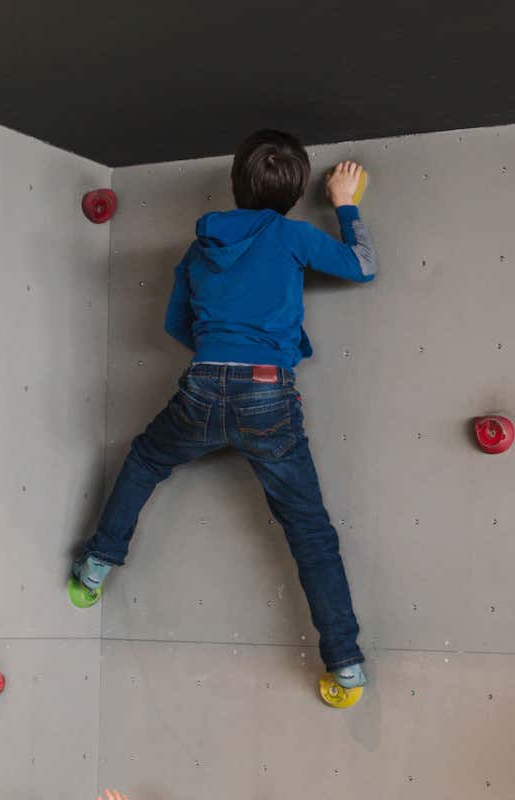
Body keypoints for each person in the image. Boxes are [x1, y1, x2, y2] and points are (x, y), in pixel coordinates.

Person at [70, 130, 376, 693]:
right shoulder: (292, 236)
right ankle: (345, 664)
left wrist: (220, 360)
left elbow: (175, 325)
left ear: (235, 185)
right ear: (297, 190)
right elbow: (362, 266)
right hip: (269, 393)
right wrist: (347, 203)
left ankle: (94, 569)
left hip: (204, 384)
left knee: (144, 461)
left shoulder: (200, 247)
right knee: (309, 531)